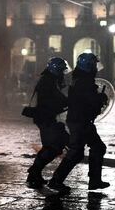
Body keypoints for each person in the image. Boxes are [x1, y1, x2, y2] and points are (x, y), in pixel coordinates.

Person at [47, 53, 110, 194]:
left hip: (80, 120)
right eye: (93, 64)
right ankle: (57, 181)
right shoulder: (84, 81)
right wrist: (100, 98)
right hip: (80, 121)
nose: (95, 67)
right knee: (82, 151)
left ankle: (94, 180)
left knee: (93, 148)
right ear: (88, 66)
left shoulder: (81, 78)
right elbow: (89, 100)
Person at [26, 57, 70, 189]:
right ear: (56, 70)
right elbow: (53, 99)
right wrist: (67, 101)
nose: (63, 73)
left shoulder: (49, 79)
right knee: (54, 147)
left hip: (46, 118)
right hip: (46, 118)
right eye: (61, 71)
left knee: (50, 146)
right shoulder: (47, 81)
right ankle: (34, 172)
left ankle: (34, 173)